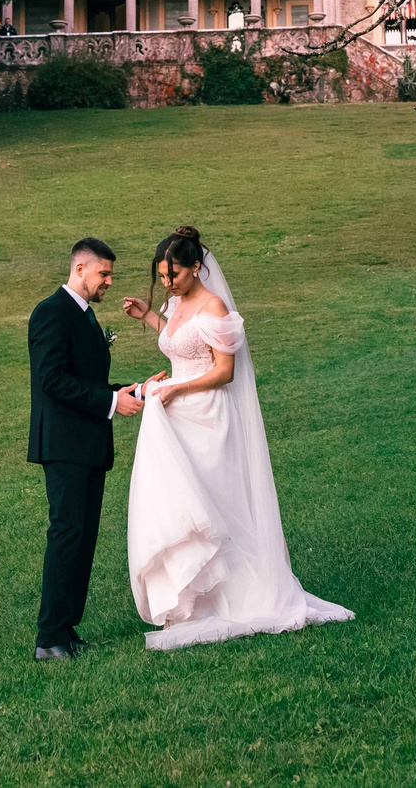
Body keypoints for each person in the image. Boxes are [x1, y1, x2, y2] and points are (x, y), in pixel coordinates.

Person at [118, 226, 353, 649]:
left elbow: (223, 371)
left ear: (196, 267)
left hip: (208, 414)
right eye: (162, 275)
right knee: (186, 502)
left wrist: (175, 388)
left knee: (218, 502)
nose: (167, 282)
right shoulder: (176, 303)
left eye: (174, 274)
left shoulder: (215, 305)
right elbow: (180, 342)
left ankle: (241, 593)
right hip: (177, 415)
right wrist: (149, 318)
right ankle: (200, 597)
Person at [26, 238, 141, 661]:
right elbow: (52, 380)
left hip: (88, 444)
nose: (109, 282)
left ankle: (67, 628)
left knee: (83, 538)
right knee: (66, 535)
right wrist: (111, 403)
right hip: (63, 445)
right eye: (104, 274)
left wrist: (122, 391)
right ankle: (48, 638)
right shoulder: (50, 313)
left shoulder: (85, 315)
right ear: (80, 270)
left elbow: (82, 379)